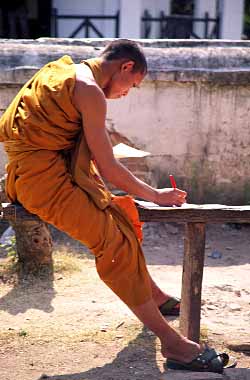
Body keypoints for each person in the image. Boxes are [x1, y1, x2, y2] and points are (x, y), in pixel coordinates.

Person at [0, 39, 230, 372]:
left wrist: (141, 196)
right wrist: (156, 194)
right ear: (125, 67)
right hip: (41, 184)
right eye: (132, 85)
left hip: (37, 173)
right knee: (114, 243)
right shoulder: (88, 89)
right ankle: (173, 344)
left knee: (124, 210)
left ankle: (155, 296)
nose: (127, 93)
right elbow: (107, 166)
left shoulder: (66, 71)